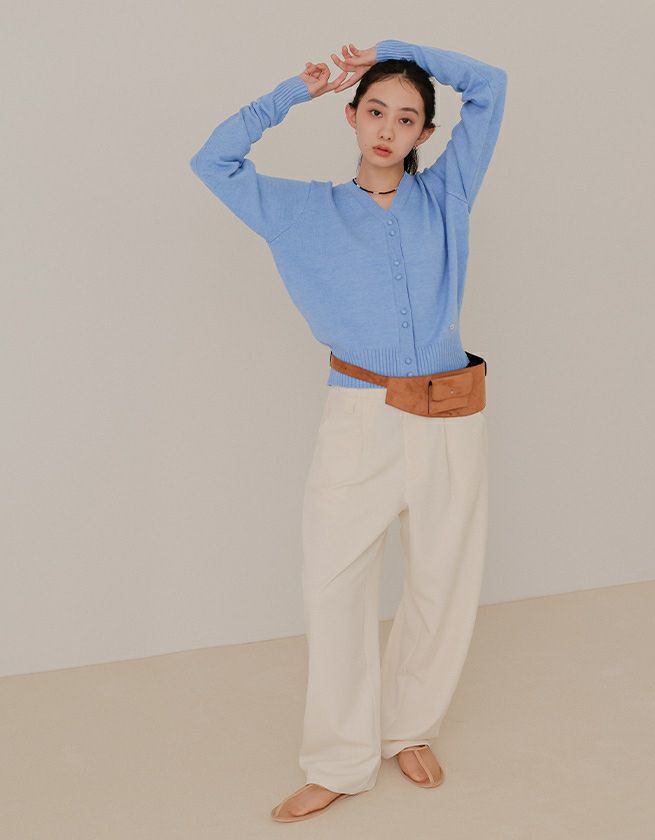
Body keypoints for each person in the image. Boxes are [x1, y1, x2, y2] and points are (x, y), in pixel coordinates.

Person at [190, 39, 508, 822]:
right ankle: (339, 759)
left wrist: (395, 52)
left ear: (425, 132)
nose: (388, 130)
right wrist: (290, 93)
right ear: (353, 116)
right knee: (334, 587)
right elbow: (214, 162)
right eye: (375, 111)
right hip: (359, 416)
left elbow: (492, 86)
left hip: (449, 414)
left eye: (406, 118)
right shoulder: (305, 211)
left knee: (442, 581)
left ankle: (410, 728)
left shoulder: (446, 195)